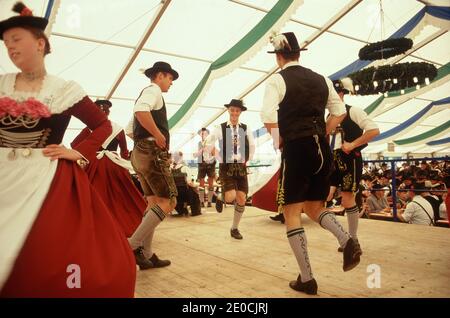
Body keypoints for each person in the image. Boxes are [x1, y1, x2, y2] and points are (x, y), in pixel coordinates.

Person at [0, 2, 135, 297]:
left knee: (45, 251)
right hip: (3, 173)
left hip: (44, 174)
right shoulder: (1, 84)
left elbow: (103, 125)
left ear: (40, 43)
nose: (10, 48)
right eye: (6, 43)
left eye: (17, 39)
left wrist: (79, 151)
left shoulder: (63, 89)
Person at [261, 32, 360, 295]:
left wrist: (277, 140)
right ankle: (347, 239)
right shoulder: (322, 79)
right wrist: (324, 131)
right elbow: (339, 112)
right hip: (322, 150)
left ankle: (307, 278)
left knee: (292, 213)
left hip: (297, 147)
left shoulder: (278, 80)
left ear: (279, 57)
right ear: (298, 54)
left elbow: (267, 115)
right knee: (315, 207)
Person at [127, 61, 178, 270]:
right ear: (159, 76)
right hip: (151, 153)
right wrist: (156, 135)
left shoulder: (147, 93)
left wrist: (144, 141)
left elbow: (130, 129)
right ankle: (132, 245)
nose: (171, 83)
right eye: (170, 78)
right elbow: (140, 111)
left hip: (139, 153)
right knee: (169, 201)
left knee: (153, 202)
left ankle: (147, 254)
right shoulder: (154, 91)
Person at [71, 99, 146, 237]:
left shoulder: (89, 129)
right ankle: (129, 225)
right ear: (108, 112)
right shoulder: (118, 128)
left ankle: (95, 227)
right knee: (122, 195)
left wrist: (87, 155)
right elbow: (124, 151)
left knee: (92, 195)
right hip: (114, 166)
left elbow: (75, 144)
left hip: (94, 164)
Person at [327, 79, 380, 253]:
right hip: (333, 160)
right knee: (325, 197)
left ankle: (353, 240)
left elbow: (373, 130)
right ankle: (345, 237)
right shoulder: (328, 116)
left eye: (333, 95)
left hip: (350, 159)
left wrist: (352, 144)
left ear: (341, 94)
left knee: (348, 199)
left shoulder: (353, 111)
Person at [206, 99, 255, 240]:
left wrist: (247, 159)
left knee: (241, 198)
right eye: (232, 110)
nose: (234, 112)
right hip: (226, 165)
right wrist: (219, 157)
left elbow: (251, 145)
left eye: (237, 110)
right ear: (228, 110)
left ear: (240, 112)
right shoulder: (220, 127)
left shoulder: (245, 128)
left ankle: (234, 228)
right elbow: (208, 143)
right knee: (231, 196)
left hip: (240, 165)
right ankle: (221, 198)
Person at [171, 151, 201, 217]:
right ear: (181, 157)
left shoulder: (170, 169)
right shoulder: (185, 168)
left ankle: (182, 210)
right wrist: (197, 185)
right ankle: (195, 212)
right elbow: (189, 182)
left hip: (174, 194)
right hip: (185, 194)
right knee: (195, 192)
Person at [194, 128, 216, 208]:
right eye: (202, 133)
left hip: (210, 164)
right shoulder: (199, 143)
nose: (203, 135)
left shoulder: (211, 143)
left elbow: (214, 153)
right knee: (201, 183)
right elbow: (199, 155)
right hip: (202, 164)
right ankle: (201, 202)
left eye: (205, 133)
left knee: (210, 183)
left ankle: (209, 201)